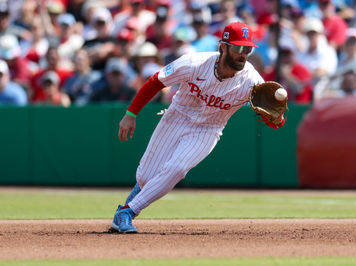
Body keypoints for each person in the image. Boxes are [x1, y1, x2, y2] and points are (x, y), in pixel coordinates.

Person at [111, 21, 286, 233]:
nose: (243, 54)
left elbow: (272, 119)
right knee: (146, 178)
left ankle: (127, 212)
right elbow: (156, 81)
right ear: (224, 46)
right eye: (239, 47)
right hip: (176, 117)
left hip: (209, 129)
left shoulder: (252, 81)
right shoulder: (194, 62)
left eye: (248, 49)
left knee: (177, 168)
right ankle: (125, 210)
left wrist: (277, 119)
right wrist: (131, 113)